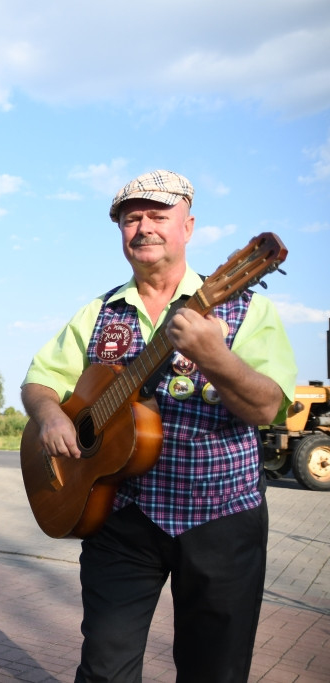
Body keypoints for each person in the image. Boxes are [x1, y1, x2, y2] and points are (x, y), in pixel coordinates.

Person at [21, 170, 297, 682]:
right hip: (120, 515)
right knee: (105, 668)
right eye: (132, 218)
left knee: (214, 669)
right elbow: (38, 381)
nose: (144, 227)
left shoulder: (246, 306)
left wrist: (215, 356)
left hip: (219, 513)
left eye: (158, 216)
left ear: (188, 226)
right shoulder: (98, 312)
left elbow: (268, 408)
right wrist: (51, 414)